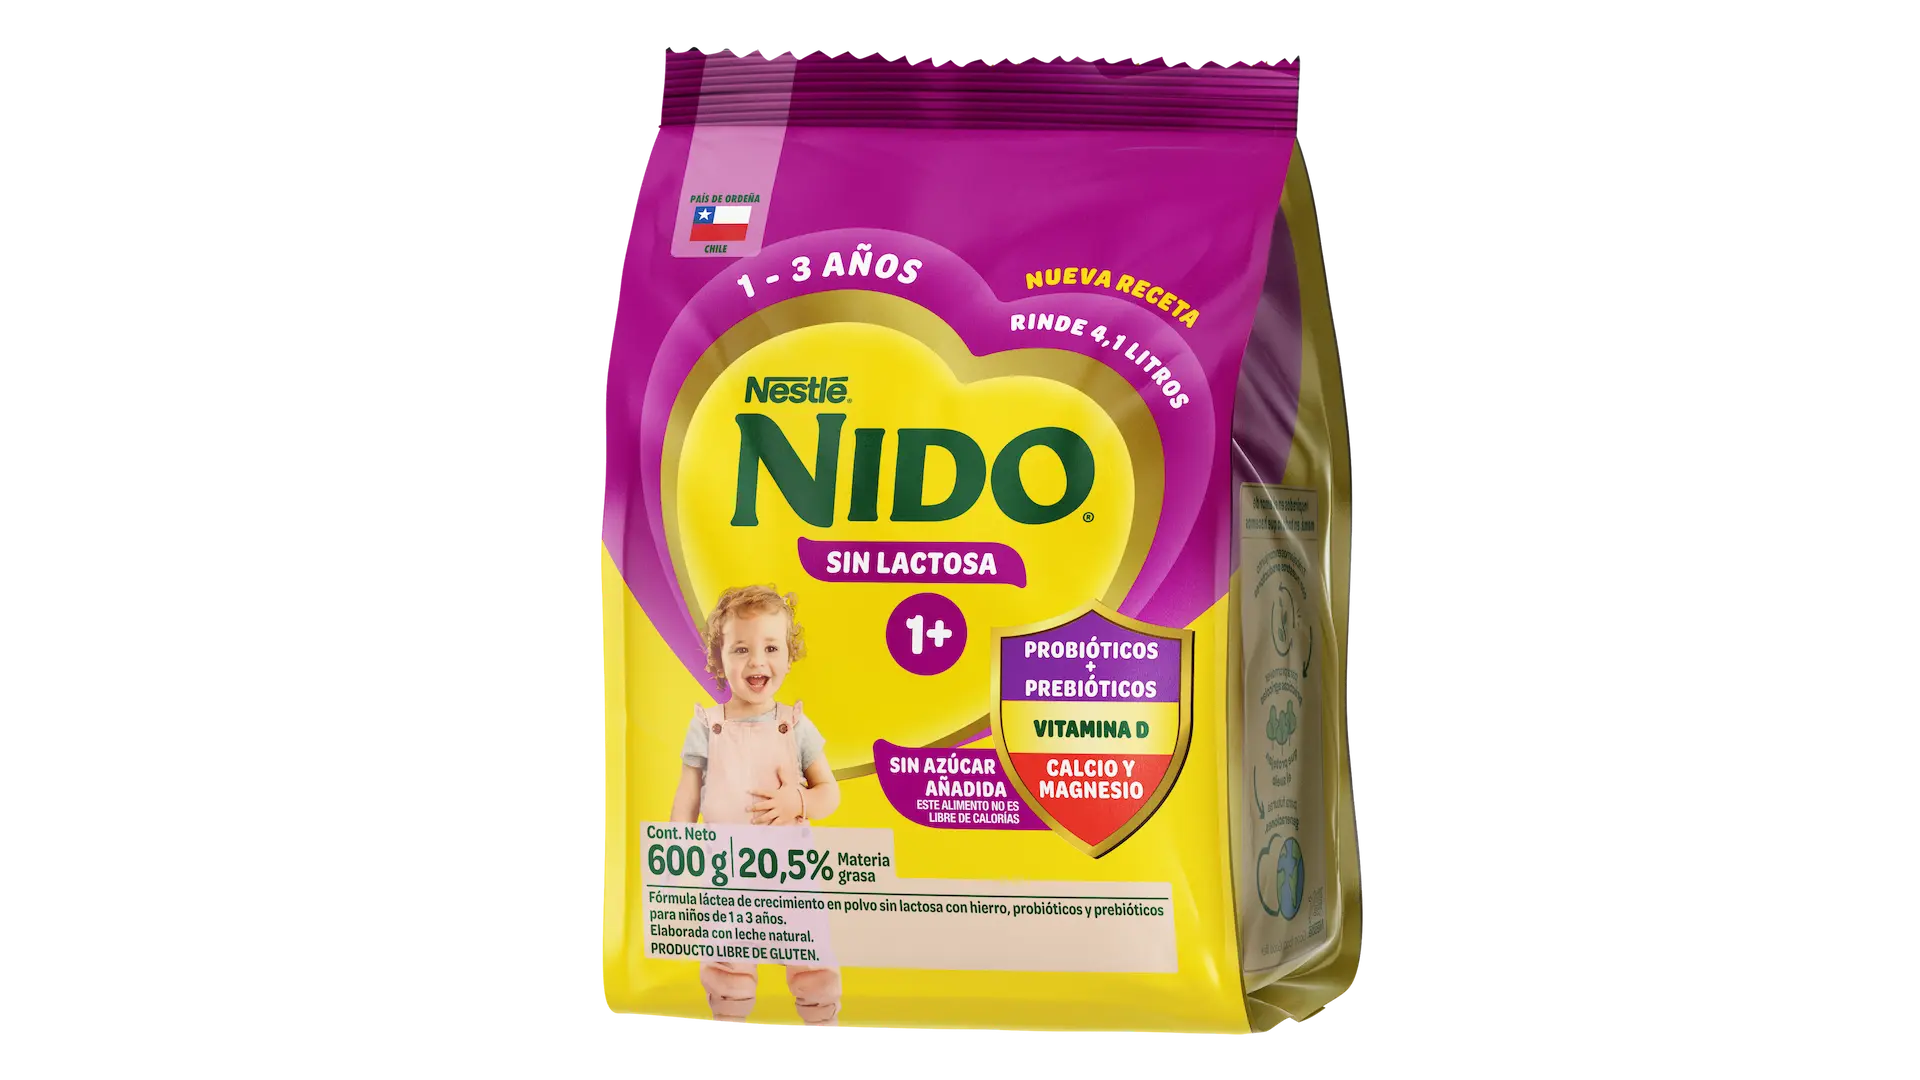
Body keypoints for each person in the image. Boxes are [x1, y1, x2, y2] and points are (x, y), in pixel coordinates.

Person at [672, 585, 842, 1027]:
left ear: (788, 656)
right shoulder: (707, 726)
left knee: (810, 953)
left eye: (770, 647)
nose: (756, 661)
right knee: (727, 963)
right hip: (725, 871)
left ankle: (821, 1019)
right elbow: (687, 798)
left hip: (791, 872)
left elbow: (829, 792)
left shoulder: (794, 725)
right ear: (719, 658)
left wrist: (798, 799)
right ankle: (729, 1017)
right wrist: (677, 851)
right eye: (741, 649)